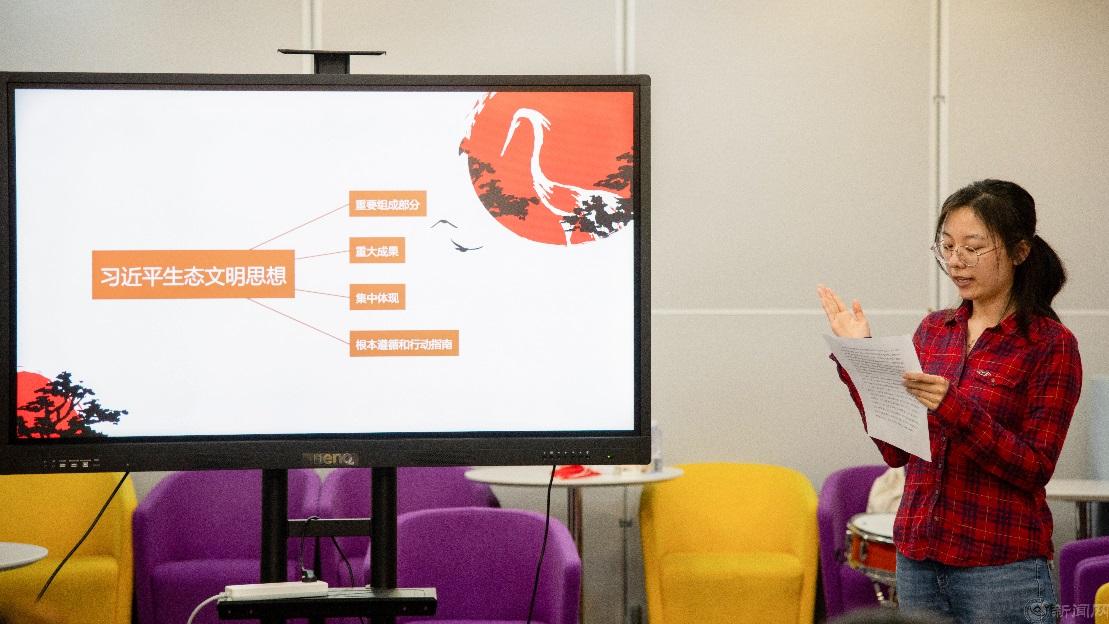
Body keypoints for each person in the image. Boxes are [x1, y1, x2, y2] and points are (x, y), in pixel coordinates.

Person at [818, 179, 1082, 624]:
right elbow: (896, 452)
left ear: (1019, 251)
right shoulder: (934, 331)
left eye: (973, 248)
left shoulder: (1049, 343)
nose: (956, 261)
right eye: (947, 247)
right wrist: (859, 357)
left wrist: (954, 408)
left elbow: (1035, 467)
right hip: (918, 556)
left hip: (1000, 567)